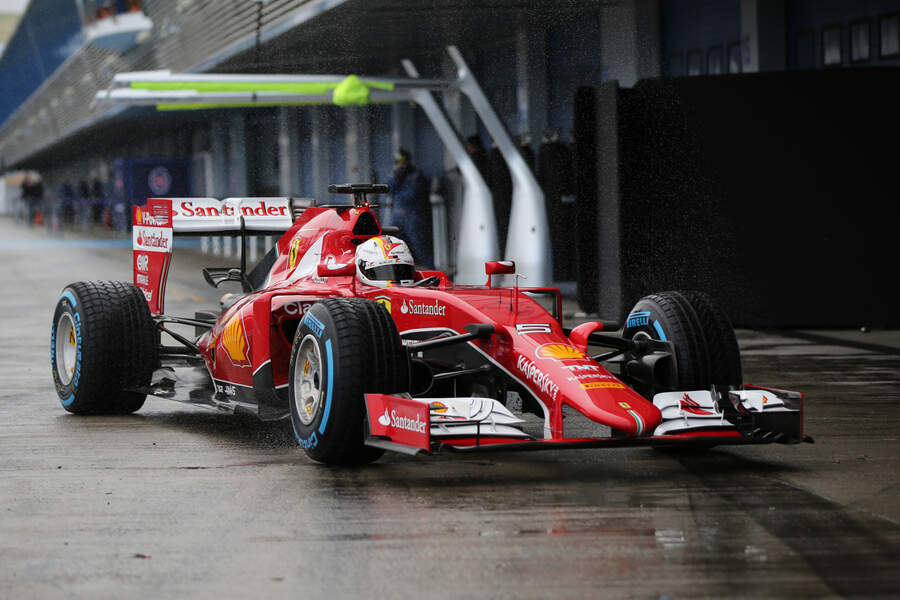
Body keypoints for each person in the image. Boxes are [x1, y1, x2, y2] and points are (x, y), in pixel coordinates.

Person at [387, 149, 432, 267]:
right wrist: (397, 178)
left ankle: (432, 271)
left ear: (407, 160)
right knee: (392, 246)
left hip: (413, 216)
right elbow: (388, 189)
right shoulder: (396, 175)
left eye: (401, 161)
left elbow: (411, 195)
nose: (399, 164)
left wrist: (399, 187)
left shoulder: (416, 175)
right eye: (397, 161)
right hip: (397, 216)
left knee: (421, 248)